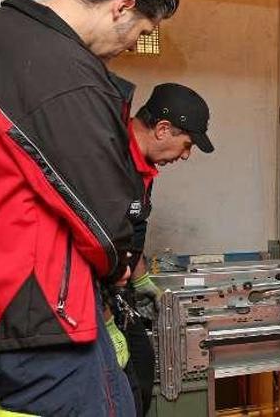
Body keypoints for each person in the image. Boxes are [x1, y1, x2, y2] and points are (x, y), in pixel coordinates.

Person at [0, 0, 178, 416]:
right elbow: (103, 218)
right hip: (39, 318)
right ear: (122, 7)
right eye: (140, 32)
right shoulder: (68, 74)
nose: (129, 47)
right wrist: (120, 264)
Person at [104, 82, 214, 416]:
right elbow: (87, 242)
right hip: (94, 299)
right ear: (163, 129)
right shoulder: (109, 160)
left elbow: (130, 232)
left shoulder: (144, 169)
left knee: (141, 364)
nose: (185, 155)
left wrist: (141, 280)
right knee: (122, 394)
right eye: (186, 145)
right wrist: (103, 316)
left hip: (120, 292)